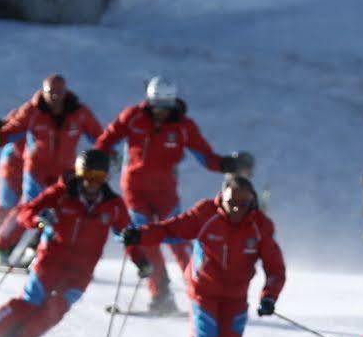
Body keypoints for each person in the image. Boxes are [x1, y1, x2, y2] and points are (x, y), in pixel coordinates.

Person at [125, 174, 284, 337]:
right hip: (204, 292)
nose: (237, 209)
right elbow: (171, 229)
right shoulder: (206, 214)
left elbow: (275, 267)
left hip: (235, 298)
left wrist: (269, 296)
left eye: (244, 204)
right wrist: (140, 235)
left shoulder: (259, 225)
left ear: (252, 202)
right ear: (223, 198)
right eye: (232, 203)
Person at [93, 76, 249, 316]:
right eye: (156, 106)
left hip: (165, 191)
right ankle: (160, 294)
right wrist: (97, 160)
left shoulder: (183, 127)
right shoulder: (133, 117)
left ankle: (202, 291)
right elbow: (107, 139)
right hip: (134, 190)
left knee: (179, 239)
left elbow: (205, 157)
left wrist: (228, 164)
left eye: (165, 107)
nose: (160, 112)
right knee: (146, 239)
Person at [0, 148, 130, 337]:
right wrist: (39, 219)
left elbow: (128, 233)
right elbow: (26, 212)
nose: (92, 183)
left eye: (98, 177)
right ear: (79, 174)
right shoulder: (60, 194)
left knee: (55, 310)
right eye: (87, 176)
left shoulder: (113, 205)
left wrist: (140, 258)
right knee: (29, 303)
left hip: (81, 272)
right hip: (50, 262)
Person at [0, 74, 103, 264]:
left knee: (61, 212)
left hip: (66, 173)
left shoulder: (79, 113)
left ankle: (37, 251)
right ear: (44, 92)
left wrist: (106, 154)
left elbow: (99, 136)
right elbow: (12, 130)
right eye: (51, 93)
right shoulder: (33, 111)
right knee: (28, 208)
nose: (55, 98)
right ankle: (1, 249)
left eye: (59, 93)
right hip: (36, 171)